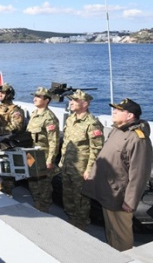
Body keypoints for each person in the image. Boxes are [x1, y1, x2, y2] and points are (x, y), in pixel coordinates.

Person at [83, 98, 153, 251]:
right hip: (108, 191)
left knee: (121, 234)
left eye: (119, 110)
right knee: (111, 230)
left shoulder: (137, 139)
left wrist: (129, 201)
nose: (114, 112)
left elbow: (139, 174)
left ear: (130, 116)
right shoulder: (117, 130)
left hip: (119, 196)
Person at [59, 89, 104, 230]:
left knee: (81, 198)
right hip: (67, 165)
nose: (71, 103)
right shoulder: (71, 118)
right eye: (70, 100)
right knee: (67, 195)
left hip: (81, 168)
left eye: (74, 100)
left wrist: (89, 170)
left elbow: (96, 149)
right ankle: (71, 217)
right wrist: (61, 162)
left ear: (85, 104)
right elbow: (66, 142)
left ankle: (81, 223)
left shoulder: (92, 123)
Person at [25, 87, 60, 212]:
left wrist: (50, 160)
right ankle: (37, 203)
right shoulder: (34, 114)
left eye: (38, 96)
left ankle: (44, 207)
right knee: (32, 181)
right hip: (31, 154)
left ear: (46, 100)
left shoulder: (49, 118)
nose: (35, 98)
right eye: (35, 95)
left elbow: (54, 141)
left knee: (44, 184)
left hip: (43, 155)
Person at [0, 83, 25, 195]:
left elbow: (17, 127)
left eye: (3, 93)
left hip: (8, 143)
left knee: (7, 169)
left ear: (9, 94)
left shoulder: (15, 110)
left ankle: (7, 191)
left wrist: (2, 127)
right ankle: (0, 187)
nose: (0, 94)